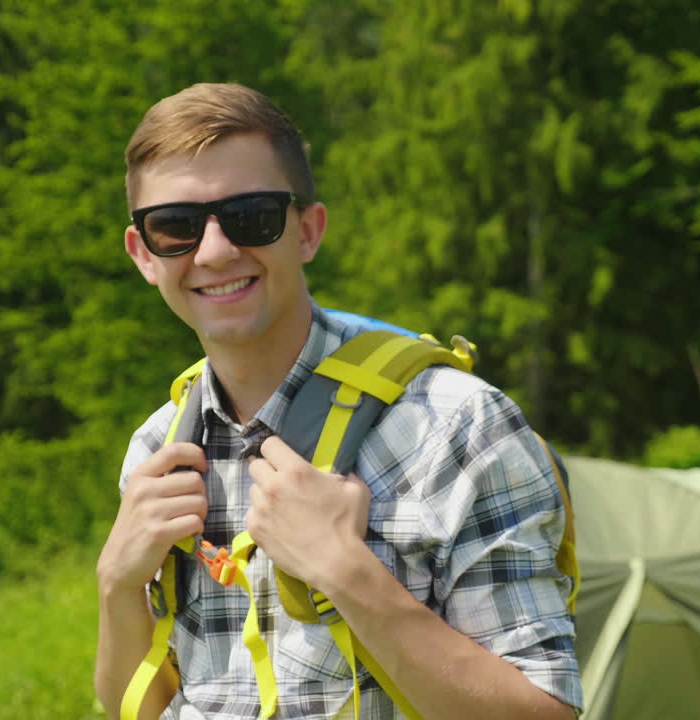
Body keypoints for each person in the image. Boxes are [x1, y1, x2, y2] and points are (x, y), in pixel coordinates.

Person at [93, 82, 581, 720]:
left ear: (307, 232)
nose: (213, 252)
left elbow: (544, 713)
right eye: (175, 227)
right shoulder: (159, 448)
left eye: (252, 217)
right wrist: (116, 586)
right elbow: (139, 703)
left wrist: (345, 573)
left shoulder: (457, 426)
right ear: (144, 255)